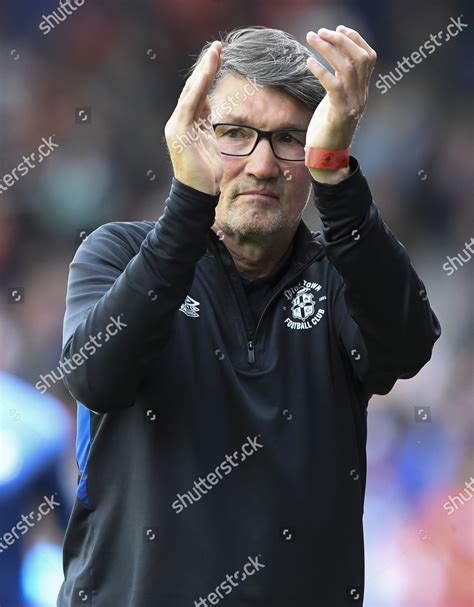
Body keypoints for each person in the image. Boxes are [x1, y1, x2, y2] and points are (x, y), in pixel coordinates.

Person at [56, 26, 441, 606]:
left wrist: (336, 175)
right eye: (235, 134)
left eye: (289, 139)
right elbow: (95, 377)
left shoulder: (342, 279)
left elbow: (408, 345)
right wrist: (187, 201)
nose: (262, 165)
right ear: (196, 138)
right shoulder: (117, 255)